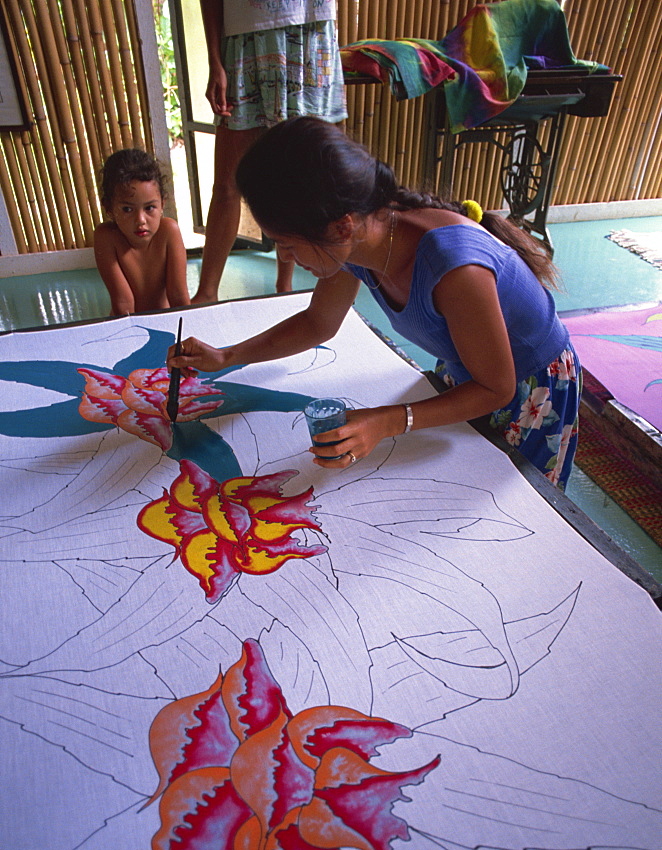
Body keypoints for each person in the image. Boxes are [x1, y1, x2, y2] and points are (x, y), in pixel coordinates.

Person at [169, 117, 582, 490]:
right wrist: (227, 356)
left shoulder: (455, 269)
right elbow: (318, 322)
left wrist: (388, 420)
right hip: (467, 367)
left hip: (533, 388)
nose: (287, 259)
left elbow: (496, 387)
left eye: (289, 245)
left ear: (341, 226)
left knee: (510, 497)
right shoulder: (360, 240)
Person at [192, 0, 346, 304]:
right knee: (226, 185)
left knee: (310, 180)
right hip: (244, 41)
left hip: (310, 37)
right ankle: (206, 293)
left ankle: (284, 288)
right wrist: (215, 62)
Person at [94, 148, 190, 316]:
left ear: (162, 204)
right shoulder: (106, 237)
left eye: (149, 208)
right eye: (127, 209)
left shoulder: (169, 231)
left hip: (166, 320)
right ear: (109, 208)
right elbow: (123, 303)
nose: (140, 220)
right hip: (125, 323)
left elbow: (179, 297)